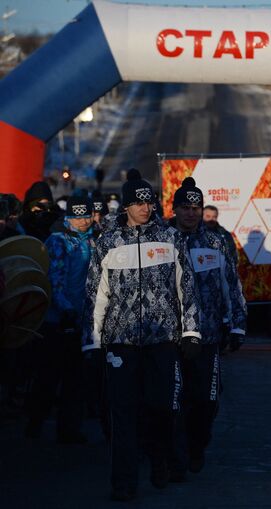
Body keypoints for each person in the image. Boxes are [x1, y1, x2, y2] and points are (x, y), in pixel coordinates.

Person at [82, 169, 201, 502]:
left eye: (148, 202)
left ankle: (159, 456)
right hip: (120, 341)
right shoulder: (107, 242)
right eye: (137, 202)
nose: (145, 208)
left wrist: (191, 331)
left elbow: (186, 288)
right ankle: (124, 482)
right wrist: (91, 341)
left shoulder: (169, 238)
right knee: (123, 413)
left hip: (162, 339)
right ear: (126, 206)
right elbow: (96, 295)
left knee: (162, 407)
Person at [170, 178, 247, 478]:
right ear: (174, 209)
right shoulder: (164, 240)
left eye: (196, 207)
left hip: (208, 336)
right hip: (171, 337)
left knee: (206, 401)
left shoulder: (215, 242)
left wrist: (237, 326)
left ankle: (197, 445)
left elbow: (232, 286)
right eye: (185, 207)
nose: (191, 213)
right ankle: (175, 456)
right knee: (173, 401)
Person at [25, 195, 96, 444]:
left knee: (75, 379)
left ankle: (69, 429)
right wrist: (66, 309)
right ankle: (34, 423)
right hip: (57, 322)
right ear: (68, 218)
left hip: (80, 323)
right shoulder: (58, 241)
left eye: (87, 215)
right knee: (48, 377)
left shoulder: (92, 242)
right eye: (78, 217)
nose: (83, 221)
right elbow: (53, 279)